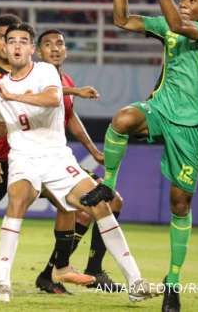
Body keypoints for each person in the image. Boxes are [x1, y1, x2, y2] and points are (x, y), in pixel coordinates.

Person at [80, 0, 198, 312]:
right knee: (123, 119)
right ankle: (108, 186)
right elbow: (121, 19)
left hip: (191, 123)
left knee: (180, 204)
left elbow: (179, 23)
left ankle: (173, 282)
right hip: (161, 107)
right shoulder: (169, 25)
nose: (184, 1)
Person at [0, 22, 160, 303]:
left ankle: (135, 281)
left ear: (32, 49)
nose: (17, 45)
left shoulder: (44, 71)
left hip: (57, 158)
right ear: (4, 48)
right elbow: (0, 128)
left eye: (23, 41)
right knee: (17, 202)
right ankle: (3, 284)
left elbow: (53, 99)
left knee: (100, 203)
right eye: (12, 41)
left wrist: (13, 95)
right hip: (23, 159)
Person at [0, 15, 102, 292]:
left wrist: (92, 146)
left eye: (17, 39)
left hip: (35, 159)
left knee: (74, 208)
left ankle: (55, 271)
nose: (11, 45)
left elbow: (62, 107)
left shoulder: (40, 72)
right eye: (5, 39)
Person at [34, 29, 124, 294]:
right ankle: (56, 272)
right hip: (33, 161)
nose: (54, 48)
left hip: (57, 160)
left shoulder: (66, 79)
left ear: (66, 50)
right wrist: (75, 90)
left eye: (60, 43)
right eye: (48, 44)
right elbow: (41, 93)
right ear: (39, 52)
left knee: (109, 202)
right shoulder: (35, 75)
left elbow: (70, 117)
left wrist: (93, 150)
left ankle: (64, 272)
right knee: (77, 209)